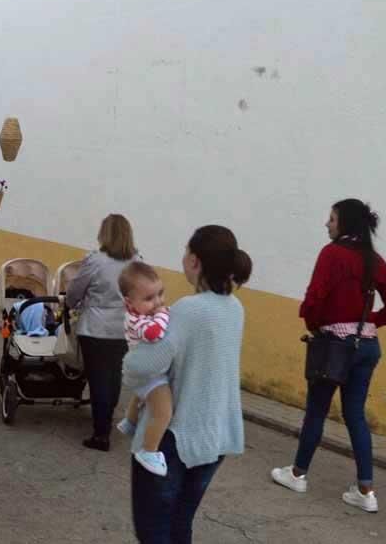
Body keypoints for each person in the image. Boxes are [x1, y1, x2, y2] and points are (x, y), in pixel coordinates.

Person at [271, 199, 386, 513]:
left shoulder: (331, 254)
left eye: (331, 219)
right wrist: (371, 321)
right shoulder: (375, 261)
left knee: (317, 411)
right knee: (355, 415)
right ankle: (366, 491)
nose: (327, 224)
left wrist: (316, 325)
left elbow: (313, 300)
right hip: (368, 347)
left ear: (344, 223)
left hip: (335, 346)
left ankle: (297, 474)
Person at [124, 225, 252, 543]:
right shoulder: (235, 308)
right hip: (215, 435)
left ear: (195, 261)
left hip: (175, 438)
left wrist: (131, 356)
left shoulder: (188, 310)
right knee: (181, 523)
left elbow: (142, 366)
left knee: (155, 530)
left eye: (185, 251)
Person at [64, 213, 139, 452]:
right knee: (114, 375)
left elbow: (76, 289)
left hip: (96, 326)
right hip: (124, 327)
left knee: (97, 379)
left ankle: (100, 433)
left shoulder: (95, 260)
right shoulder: (137, 261)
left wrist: (69, 304)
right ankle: (106, 419)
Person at [114, 262, 173, 477]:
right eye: (149, 299)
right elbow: (155, 333)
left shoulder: (141, 312)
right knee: (164, 411)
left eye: (160, 294)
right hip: (149, 374)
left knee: (140, 397)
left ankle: (130, 422)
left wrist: (155, 311)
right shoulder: (135, 319)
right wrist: (164, 313)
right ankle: (149, 451)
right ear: (130, 302)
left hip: (142, 372)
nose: (157, 302)